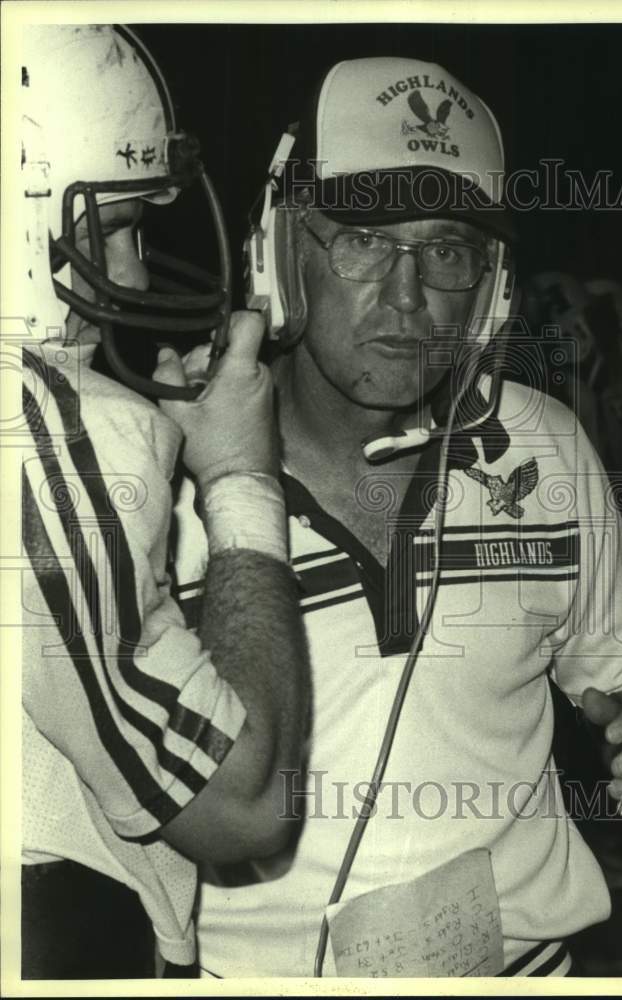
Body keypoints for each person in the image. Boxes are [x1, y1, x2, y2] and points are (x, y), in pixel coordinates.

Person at [170, 56, 622, 978]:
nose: (410, 297)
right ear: (279, 251)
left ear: (492, 288)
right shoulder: (160, 468)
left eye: (448, 250)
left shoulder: (547, 448)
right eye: (365, 241)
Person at [16, 25, 308, 978]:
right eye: (119, 230)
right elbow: (247, 804)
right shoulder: (57, 424)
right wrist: (238, 480)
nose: (134, 270)